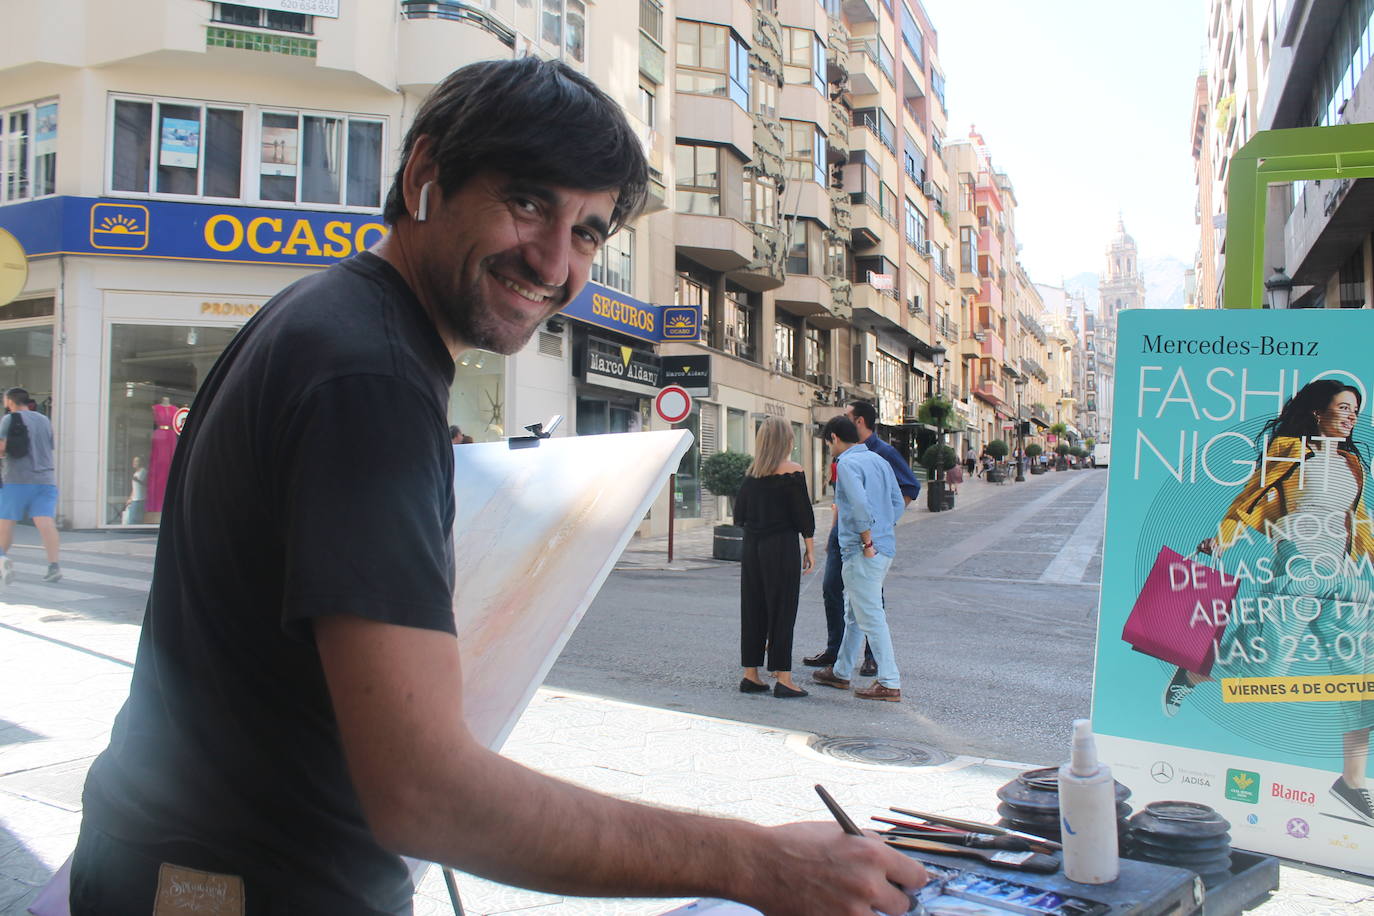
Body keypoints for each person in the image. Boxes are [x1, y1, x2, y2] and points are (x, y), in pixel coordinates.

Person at [69, 58, 923, 916]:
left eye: (587, 233)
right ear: (425, 175)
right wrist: (759, 863)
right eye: (528, 203)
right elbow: (426, 793)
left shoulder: (332, 320)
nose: (554, 260)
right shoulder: (369, 376)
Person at [1165, 379, 1374, 825]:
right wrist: (1223, 538)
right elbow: (1250, 499)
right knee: (1265, 669)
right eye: (1343, 408)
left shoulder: (1353, 462)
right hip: (1296, 569)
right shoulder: (1288, 451)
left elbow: (1356, 518)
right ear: (1317, 412)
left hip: (1343, 577)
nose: (1351, 417)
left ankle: (1352, 782)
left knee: (1359, 681)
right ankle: (1194, 671)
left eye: (1355, 411)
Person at [803, 400, 917, 672]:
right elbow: (892, 501)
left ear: (835, 437)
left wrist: (869, 537)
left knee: (870, 611)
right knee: (850, 606)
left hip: (862, 544)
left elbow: (860, 504)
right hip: (869, 541)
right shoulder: (877, 458)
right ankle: (840, 669)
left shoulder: (853, 461)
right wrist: (882, 527)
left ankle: (886, 677)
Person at [733, 417, 815, 698]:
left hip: (752, 547)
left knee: (753, 608)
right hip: (780, 546)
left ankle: (751, 675)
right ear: (786, 441)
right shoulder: (793, 471)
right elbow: (803, 515)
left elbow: (739, 515)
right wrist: (810, 549)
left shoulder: (751, 474)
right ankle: (784, 678)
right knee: (783, 609)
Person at [0, 387, 61, 584]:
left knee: (6, 522)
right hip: (45, 480)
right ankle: (53, 566)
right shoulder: (44, 420)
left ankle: (2, 559)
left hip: (17, 479)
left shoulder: (9, 419)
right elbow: (49, 446)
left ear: (10, 401)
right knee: (45, 522)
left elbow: (2, 447)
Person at [122, 456, 148, 525]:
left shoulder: (143, 471)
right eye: (133, 461)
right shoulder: (136, 473)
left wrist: (137, 480)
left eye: (136, 461)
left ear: (141, 462)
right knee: (132, 520)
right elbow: (134, 488)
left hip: (139, 499)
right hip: (135, 499)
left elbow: (145, 484)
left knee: (133, 521)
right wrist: (130, 498)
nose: (134, 463)